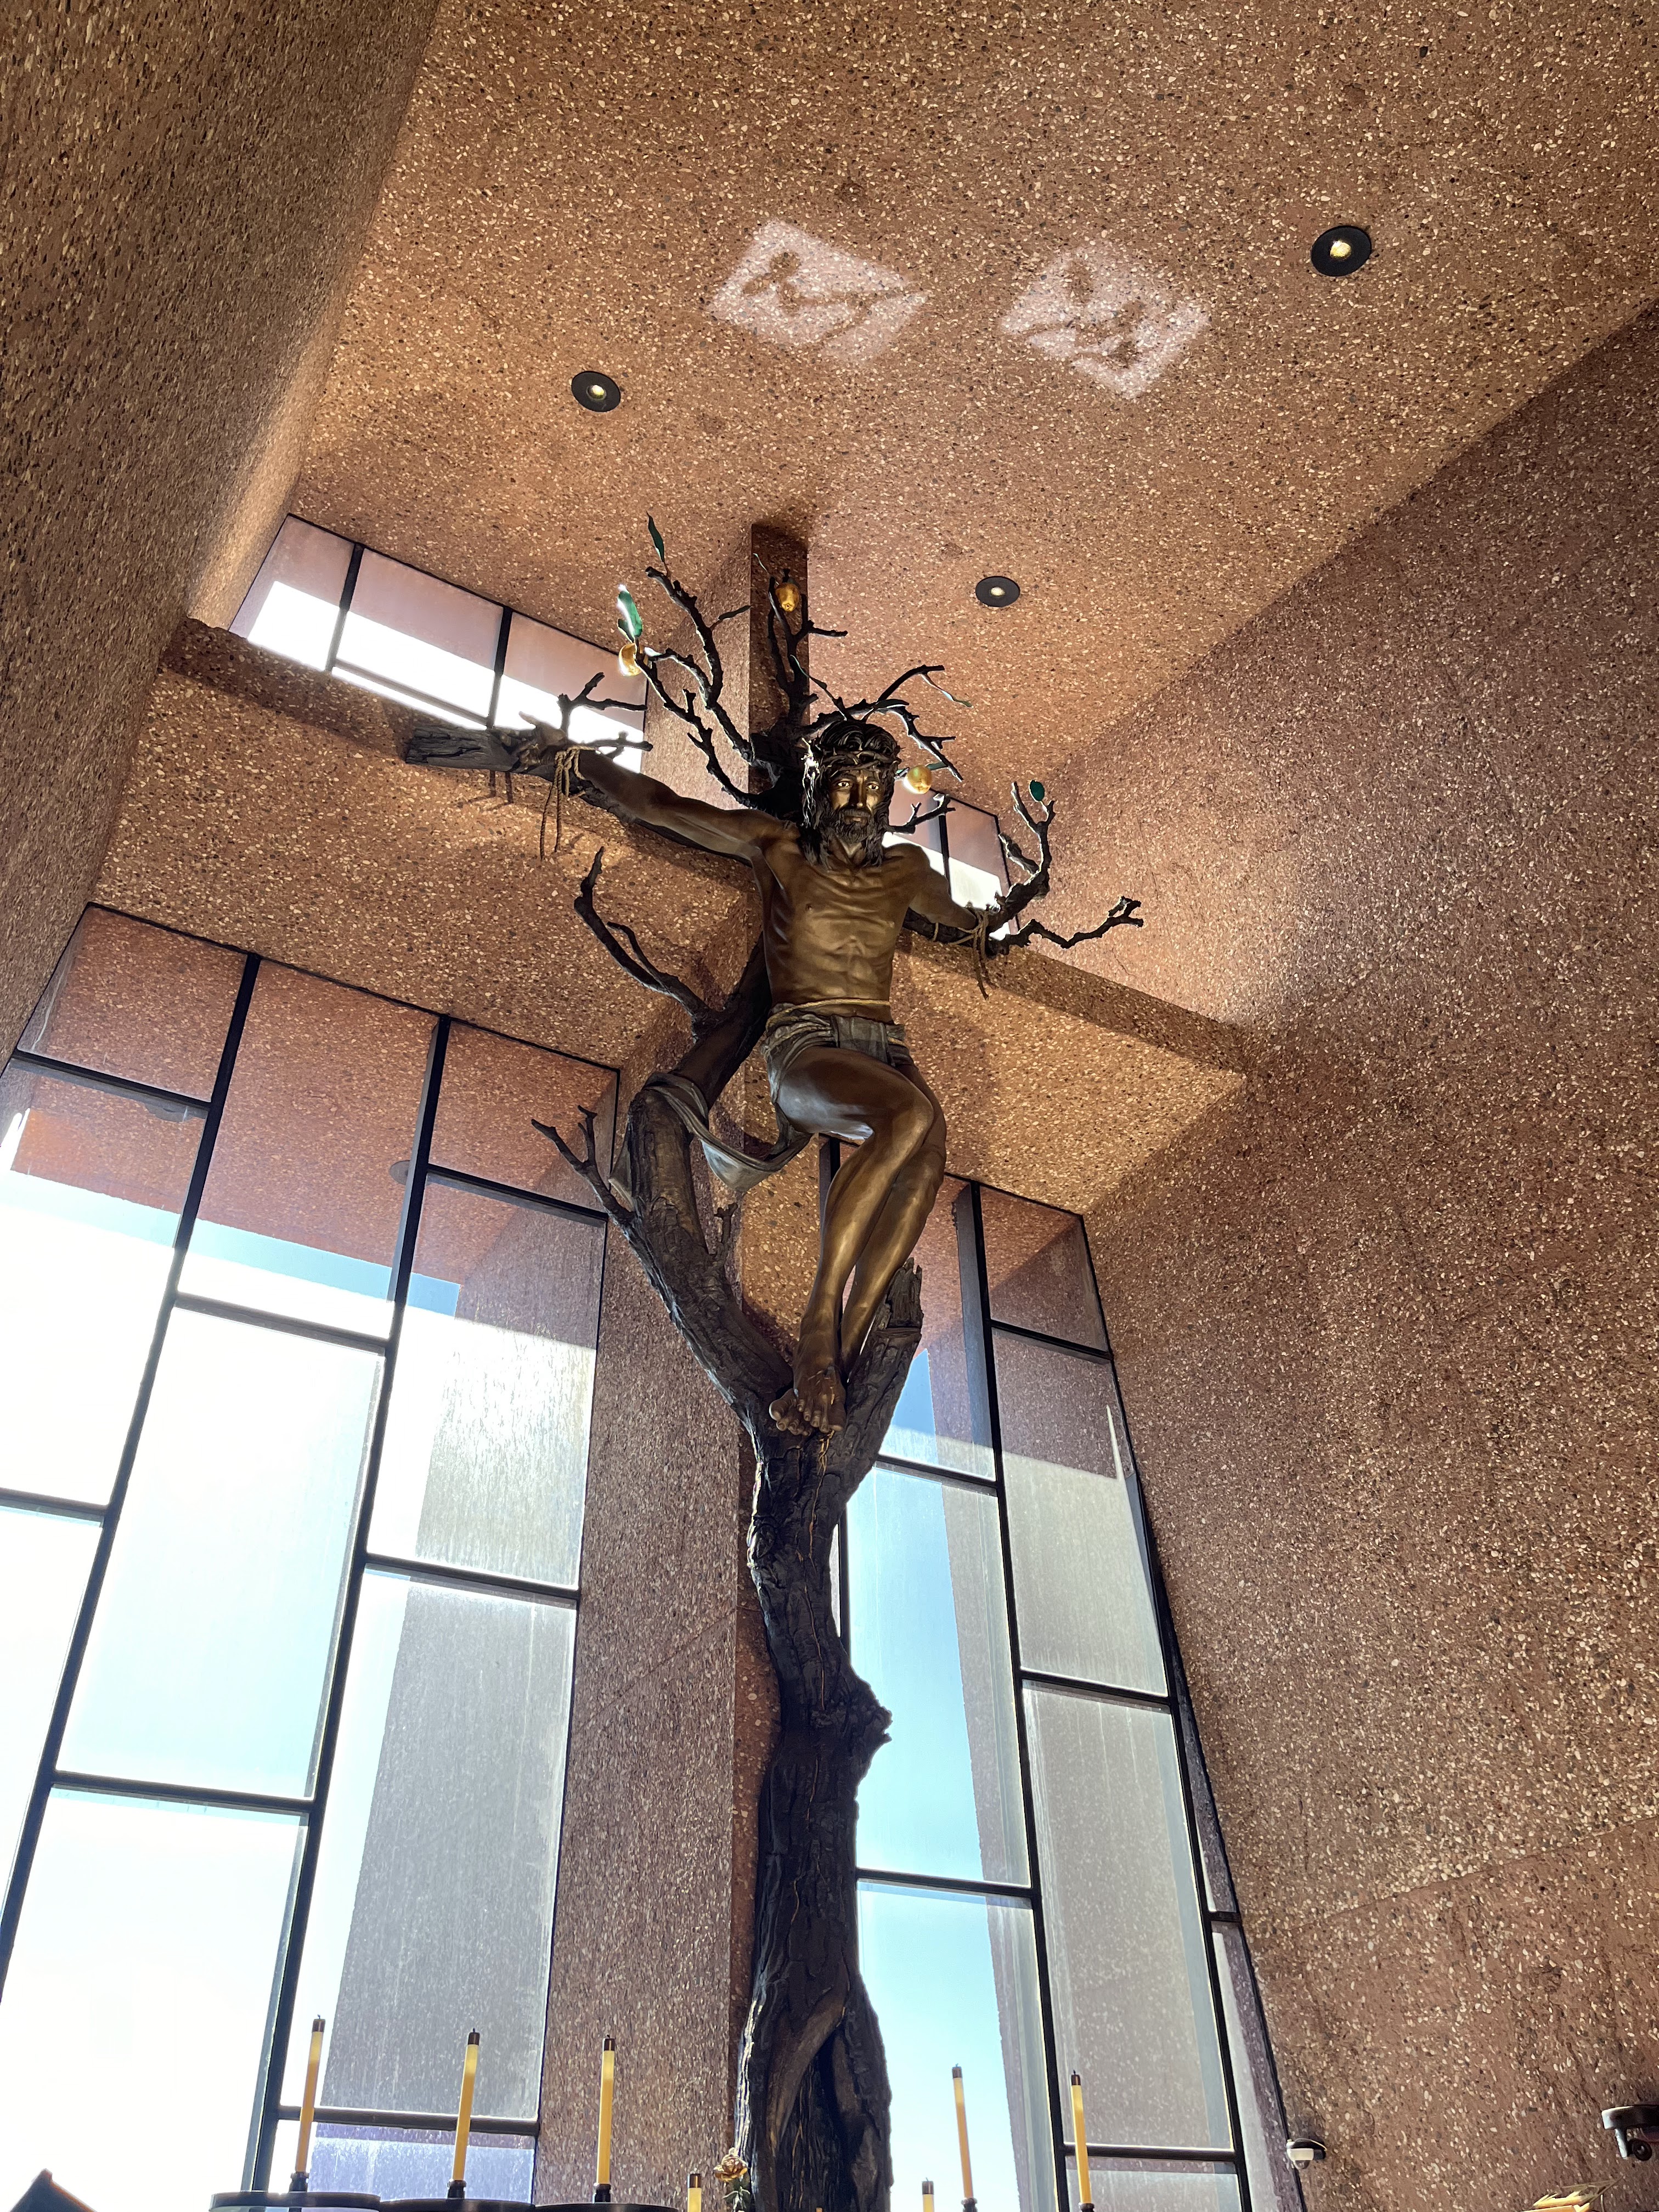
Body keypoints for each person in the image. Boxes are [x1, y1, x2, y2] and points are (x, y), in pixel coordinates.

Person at [538, 716, 990, 1436]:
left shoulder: (907, 871)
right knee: (911, 1118)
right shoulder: (777, 848)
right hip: (807, 1043)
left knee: (928, 1153)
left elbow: (969, 923)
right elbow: (661, 806)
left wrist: (1004, 916)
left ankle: (839, 1357)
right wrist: (580, 762)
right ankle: (818, 1324)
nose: (858, 802)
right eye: (843, 785)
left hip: (886, 1047)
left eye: (873, 790)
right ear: (815, 789)